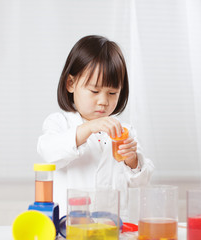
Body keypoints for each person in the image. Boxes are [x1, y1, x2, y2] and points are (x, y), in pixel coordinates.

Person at [37, 35, 154, 219]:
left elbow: (141, 181)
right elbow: (50, 153)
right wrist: (90, 127)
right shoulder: (59, 123)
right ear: (71, 84)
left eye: (112, 92)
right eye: (94, 91)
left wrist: (132, 161)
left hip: (113, 227)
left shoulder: (125, 131)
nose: (103, 101)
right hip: (71, 227)